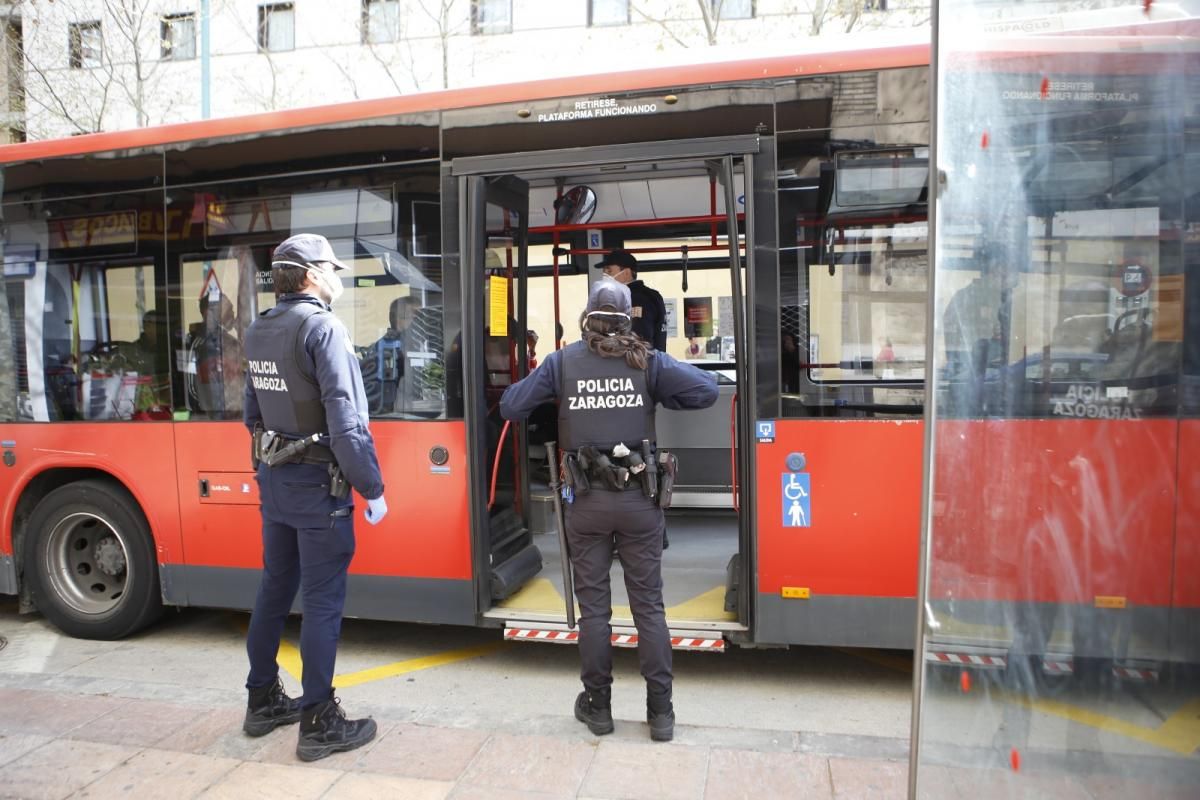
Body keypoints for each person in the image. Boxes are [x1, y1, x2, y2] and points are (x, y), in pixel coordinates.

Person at [499, 277, 718, 742]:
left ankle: (598, 708)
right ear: (628, 317)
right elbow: (707, 391)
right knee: (649, 609)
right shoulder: (649, 362)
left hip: (587, 505)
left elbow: (512, 405)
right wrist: (660, 390)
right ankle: (661, 713)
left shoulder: (562, 363)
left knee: (594, 610)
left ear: (587, 316)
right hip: (640, 503)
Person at [241, 233, 388, 762]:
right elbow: (346, 420)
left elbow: (252, 417)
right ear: (309, 275)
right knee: (322, 604)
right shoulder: (322, 328)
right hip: (319, 488)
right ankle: (320, 721)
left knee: (274, 592)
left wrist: (267, 470)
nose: (339, 278)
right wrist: (371, 487)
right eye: (333, 269)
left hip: (276, 484)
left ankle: (262, 701)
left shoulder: (259, 329)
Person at [598, 250, 667, 351]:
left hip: (637, 364)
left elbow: (639, 343)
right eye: (604, 272)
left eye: (609, 271)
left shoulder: (636, 299)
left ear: (626, 273)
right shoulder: (651, 295)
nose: (605, 276)